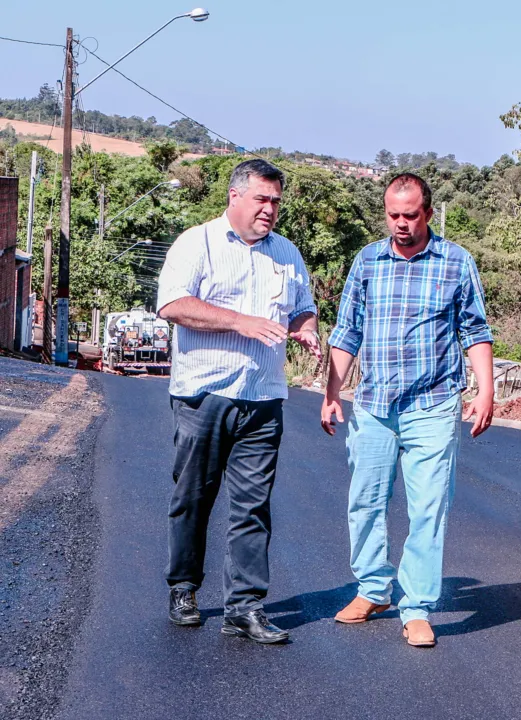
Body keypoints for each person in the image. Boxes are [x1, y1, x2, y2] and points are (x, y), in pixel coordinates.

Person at [321, 173, 494, 649]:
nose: (400, 224)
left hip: (433, 406)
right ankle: (373, 590)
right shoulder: (368, 261)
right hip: (375, 406)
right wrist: (331, 391)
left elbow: (475, 331)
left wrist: (485, 390)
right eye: (393, 214)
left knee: (428, 508)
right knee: (366, 502)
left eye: (410, 215)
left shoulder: (455, 262)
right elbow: (347, 332)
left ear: (428, 213)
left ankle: (415, 606)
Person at [157, 159, 322, 644]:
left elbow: (302, 308)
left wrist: (306, 329)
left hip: (264, 399)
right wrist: (241, 321)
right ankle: (184, 588)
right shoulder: (198, 243)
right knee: (193, 498)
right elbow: (173, 305)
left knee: (252, 507)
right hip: (203, 394)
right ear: (235, 196)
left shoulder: (287, 253)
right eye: (262, 200)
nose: (270, 210)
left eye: (275, 201)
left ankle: (245, 607)